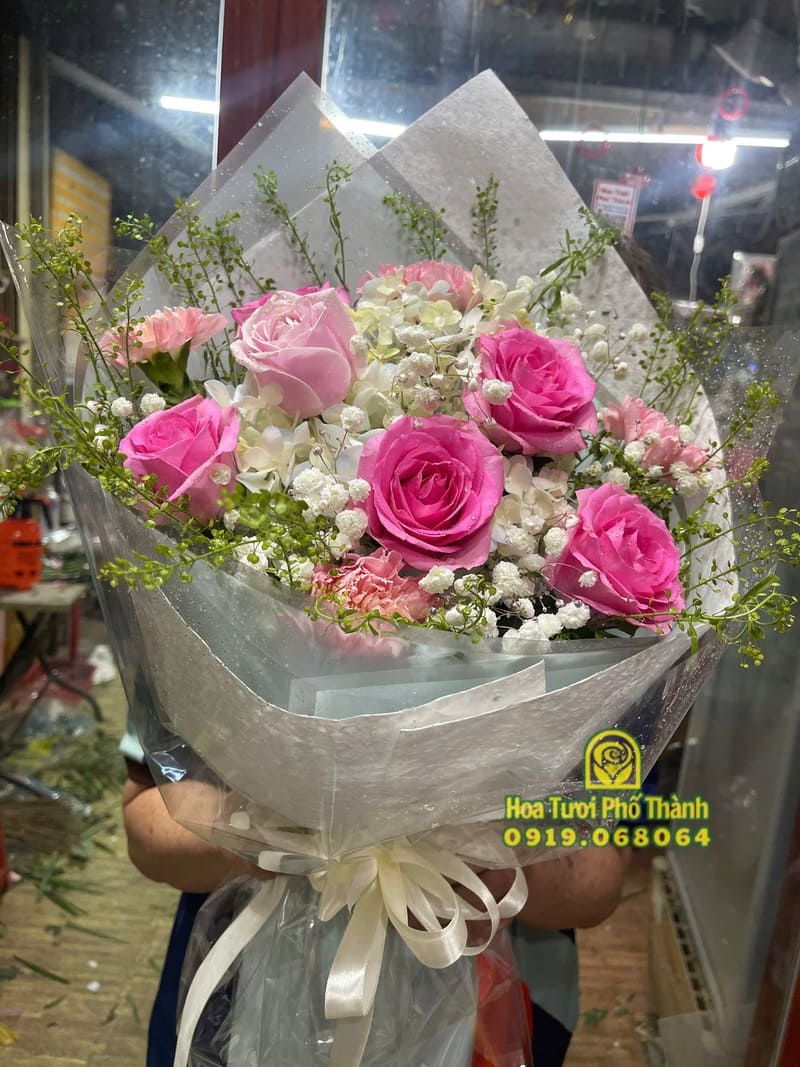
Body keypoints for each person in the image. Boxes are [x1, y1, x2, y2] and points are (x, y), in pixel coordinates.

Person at [122, 733, 629, 1067]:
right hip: (239, 981)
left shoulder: (609, 629)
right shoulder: (188, 605)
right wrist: (245, 826)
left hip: (493, 988)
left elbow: (599, 876)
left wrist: (487, 851)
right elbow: (147, 824)